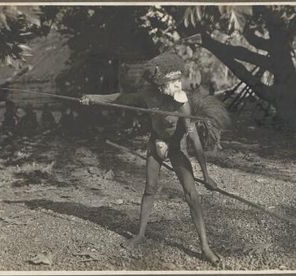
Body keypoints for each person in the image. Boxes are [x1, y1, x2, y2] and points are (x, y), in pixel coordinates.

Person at [81, 52, 227, 264]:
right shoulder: (148, 96)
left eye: (179, 80)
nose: (177, 85)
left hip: (178, 148)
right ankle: (140, 235)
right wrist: (93, 98)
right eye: (172, 82)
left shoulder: (182, 104)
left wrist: (206, 175)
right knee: (150, 189)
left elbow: (194, 141)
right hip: (156, 143)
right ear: (160, 84)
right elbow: (120, 98)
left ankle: (205, 247)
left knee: (191, 195)